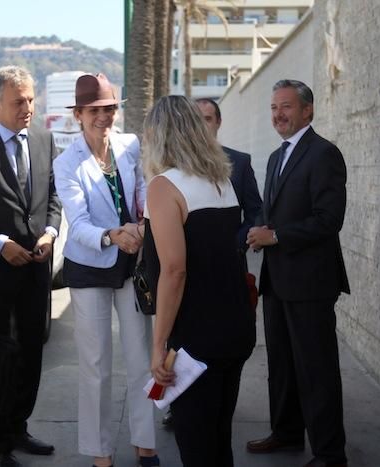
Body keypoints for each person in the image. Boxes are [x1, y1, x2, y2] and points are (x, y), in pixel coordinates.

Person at [142, 95, 256, 467]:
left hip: (196, 339)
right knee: (219, 442)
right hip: (235, 326)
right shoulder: (221, 179)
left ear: (159, 134)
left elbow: (174, 270)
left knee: (197, 447)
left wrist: (159, 346)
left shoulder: (164, 187)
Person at [53, 73, 159, 467]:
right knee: (95, 366)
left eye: (110, 108)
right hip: (91, 268)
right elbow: (76, 224)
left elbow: (147, 186)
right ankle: (100, 453)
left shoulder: (129, 145)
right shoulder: (66, 163)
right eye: (95, 110)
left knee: (140, 357)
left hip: (134, 265)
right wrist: (113, 236)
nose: (104, 116)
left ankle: (146, 444)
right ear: (79, 114)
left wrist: (144, 224)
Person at [246, 79, 350, 467]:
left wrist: (275, 235)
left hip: (310, 284)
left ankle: (329, 452)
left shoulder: (324, 154)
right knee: (282, 366)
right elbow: (269, 211)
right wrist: (258, 232)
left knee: (316, 369)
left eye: (286, 107)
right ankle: (286, 433)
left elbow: (329, 220)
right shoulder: (277, 157)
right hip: (277, 280)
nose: (278, 115)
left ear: (308, 110)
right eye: (274, 108)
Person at [0, 65, 61, 467]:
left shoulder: (44, 139)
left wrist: (49, 232)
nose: (27, 107)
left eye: (31, 99)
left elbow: (54, 196)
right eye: (18, 102)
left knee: (31, 354)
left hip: (36, 270)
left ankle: (20, 427)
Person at [195, 97, 262, 251]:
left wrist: (237, 245)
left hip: (232, 257)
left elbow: (255, 212)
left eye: (207, 119)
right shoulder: (177, 163)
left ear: (218, 122)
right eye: (196, 119)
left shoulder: (240, 162)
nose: (201, 125)